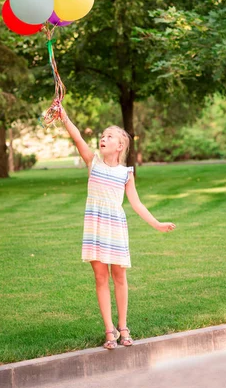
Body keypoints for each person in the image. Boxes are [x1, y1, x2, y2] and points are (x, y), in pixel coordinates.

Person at [60, 107, 176, 350]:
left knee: (119, 276)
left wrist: (156, 224)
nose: (103, 138)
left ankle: (124, 327)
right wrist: (64, 116)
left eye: (109, 136)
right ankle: (109, 330)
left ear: (120, 145)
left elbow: (136, 203)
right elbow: (77, 136)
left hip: (116, 228)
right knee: (100, 278)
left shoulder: (126, 173)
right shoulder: (92, 162)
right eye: (102, 136)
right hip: (95, 226)